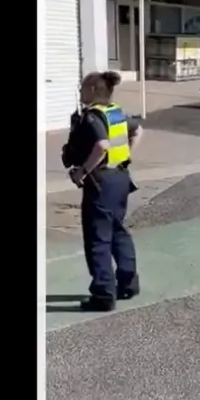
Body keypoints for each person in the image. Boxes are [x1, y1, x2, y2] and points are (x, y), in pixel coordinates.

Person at [61, 70, 143, 312]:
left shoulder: (93, 117)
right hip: (119, 178)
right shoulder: (115, 112)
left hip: (100, 183)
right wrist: (125, 157)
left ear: (94, 90)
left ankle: (104, 294)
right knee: (117, 231)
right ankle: (128, 283)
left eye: (83, 88)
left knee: (98, 239)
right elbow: (138, 131)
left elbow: (101, 145)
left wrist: (82, 171)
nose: (80, 92)